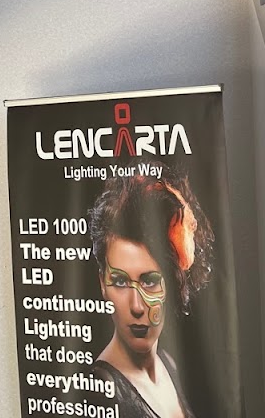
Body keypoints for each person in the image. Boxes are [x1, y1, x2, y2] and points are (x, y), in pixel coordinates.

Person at [86, 167, 214, 418]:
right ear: (102, 283)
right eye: (120, 281)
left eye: (150, 281)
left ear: (172, 284)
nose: (136, 306)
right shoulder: (102, 392)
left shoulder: (168, 363)